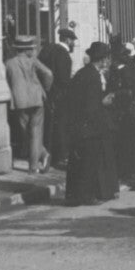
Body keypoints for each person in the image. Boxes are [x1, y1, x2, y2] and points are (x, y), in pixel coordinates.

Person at [65, 41, 120, 205]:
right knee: (89, 163)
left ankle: (74, 196)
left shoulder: (82, 73)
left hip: (78, 124)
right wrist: (104, 102)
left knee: (78, 163)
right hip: (90, 126)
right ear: (102, 60)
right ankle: (86, 196)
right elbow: (91, 106)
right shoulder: (94, 76)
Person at [3, 34, 51, 173]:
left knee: (27, 133)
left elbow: (6, 80)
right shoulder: (33, 61)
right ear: (25, 50)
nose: (33, 50)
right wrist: (45, 89)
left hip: (20, 101)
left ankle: (38, 160)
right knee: (35, 132)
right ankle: (37, 162)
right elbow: (49, 74)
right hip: (37, 99)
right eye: (31, 48)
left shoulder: (8, 63)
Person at [39, 24, 77, 171]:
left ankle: (47, 154)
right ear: (67, 40)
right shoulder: (63, 54)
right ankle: (59, 157)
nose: (74, 44)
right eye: (72, 40)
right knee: (61, 126)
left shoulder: (48, 49)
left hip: (46, 94)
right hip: (60, 95)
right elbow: (63, 79)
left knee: (48, 126)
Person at [107, 37, 135, 183]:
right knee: (128, 141)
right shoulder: (126, 68)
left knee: (126, 140)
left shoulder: (120, 69)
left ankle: (126, 170)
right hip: (126, 108)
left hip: (123, 108)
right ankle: (127, 170)